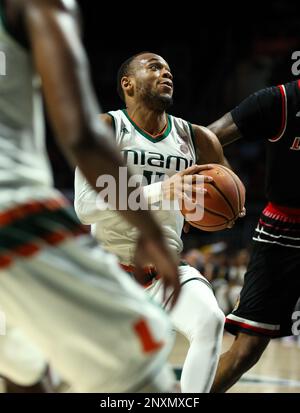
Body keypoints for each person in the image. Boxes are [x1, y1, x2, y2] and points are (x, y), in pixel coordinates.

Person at [0, 0, 181, 393]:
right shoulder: (42, 5)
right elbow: (81, 134)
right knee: (147, 374)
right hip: (11, 213)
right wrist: (150, 229)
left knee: (27, 370)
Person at [73, 51, 244, 393]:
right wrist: (164, 189)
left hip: (167, 271)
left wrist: (220, 210)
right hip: (110, 275)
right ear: (128, 84)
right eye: (154, 67)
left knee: (210, 320)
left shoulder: (195, 137)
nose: (166, 73)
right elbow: (85, 207)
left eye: (168, 69)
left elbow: (229, 195)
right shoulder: (107, 128)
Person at [208, 79, 300, 392]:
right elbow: (208, 137)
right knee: (247, 349)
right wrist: (229, 184)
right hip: (282, 232)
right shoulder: (281, 100)